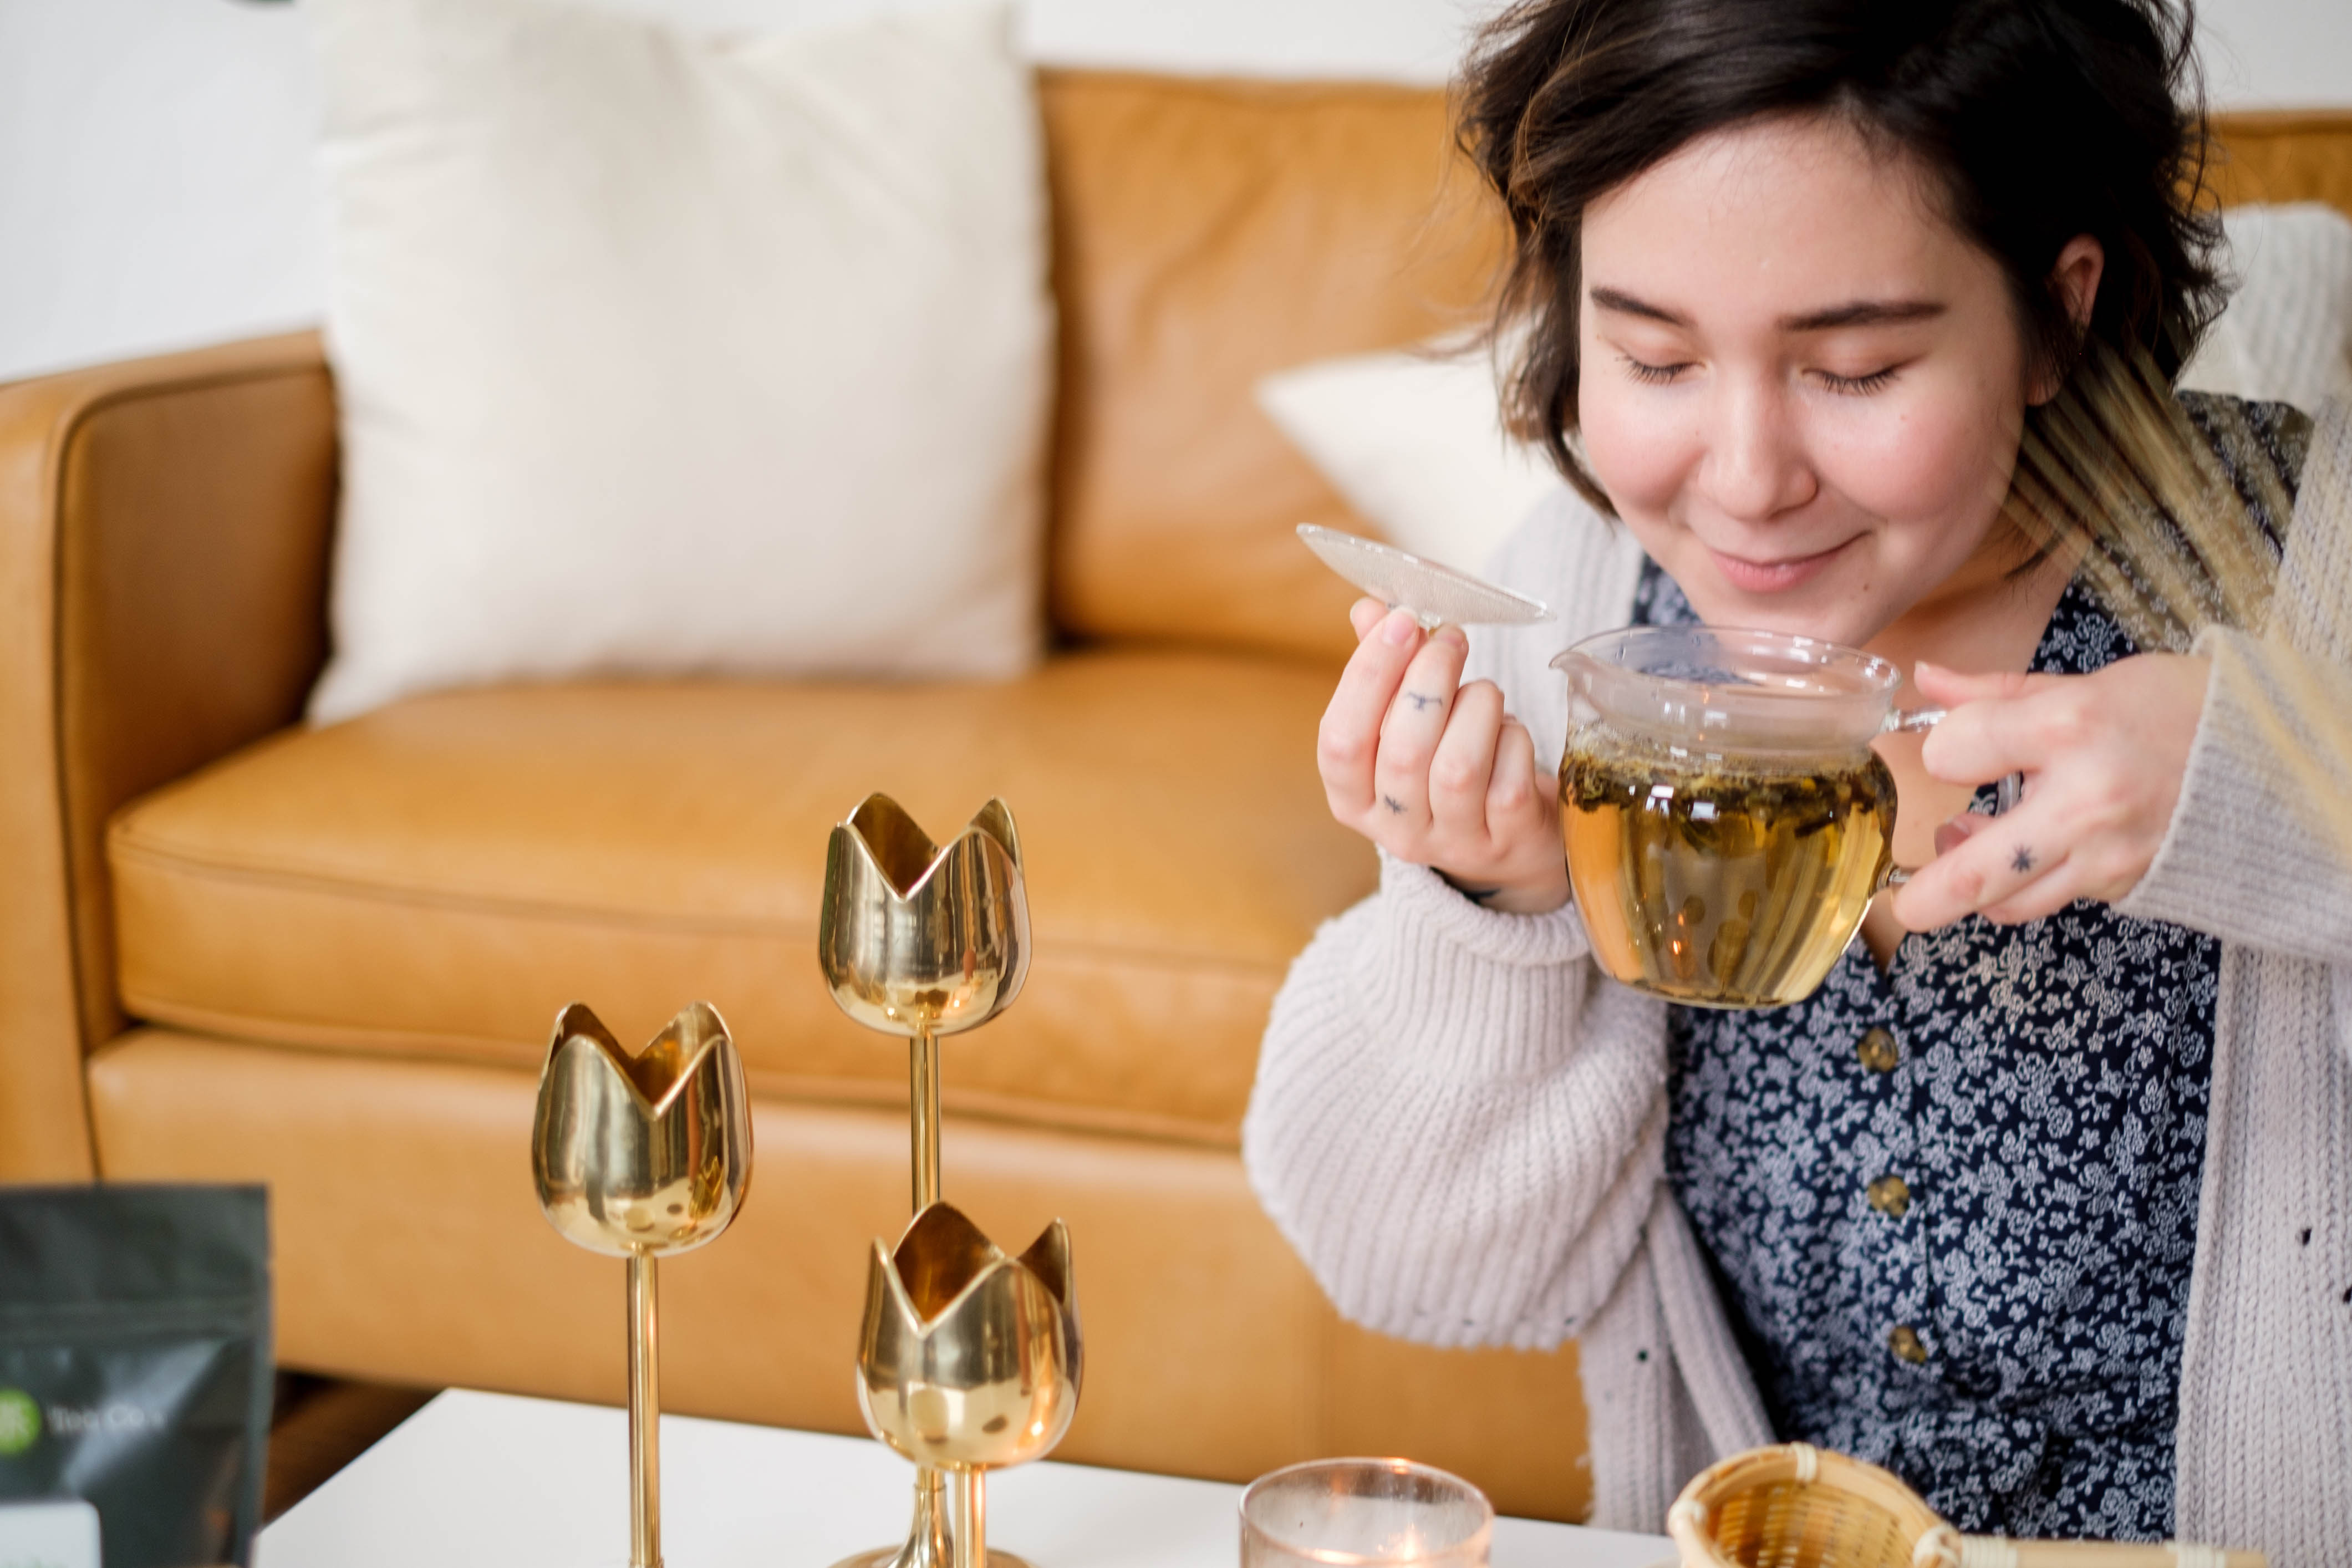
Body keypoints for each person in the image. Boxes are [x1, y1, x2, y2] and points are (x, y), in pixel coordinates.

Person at [1240, 0, 2352, 1558]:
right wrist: (1484, 918)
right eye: (1653, 356)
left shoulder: (2307, 568)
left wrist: (2277, 790)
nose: (1746, 479)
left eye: (1853, 367)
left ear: (2052, 312)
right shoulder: (1584, 604)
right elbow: (1417, 1274)